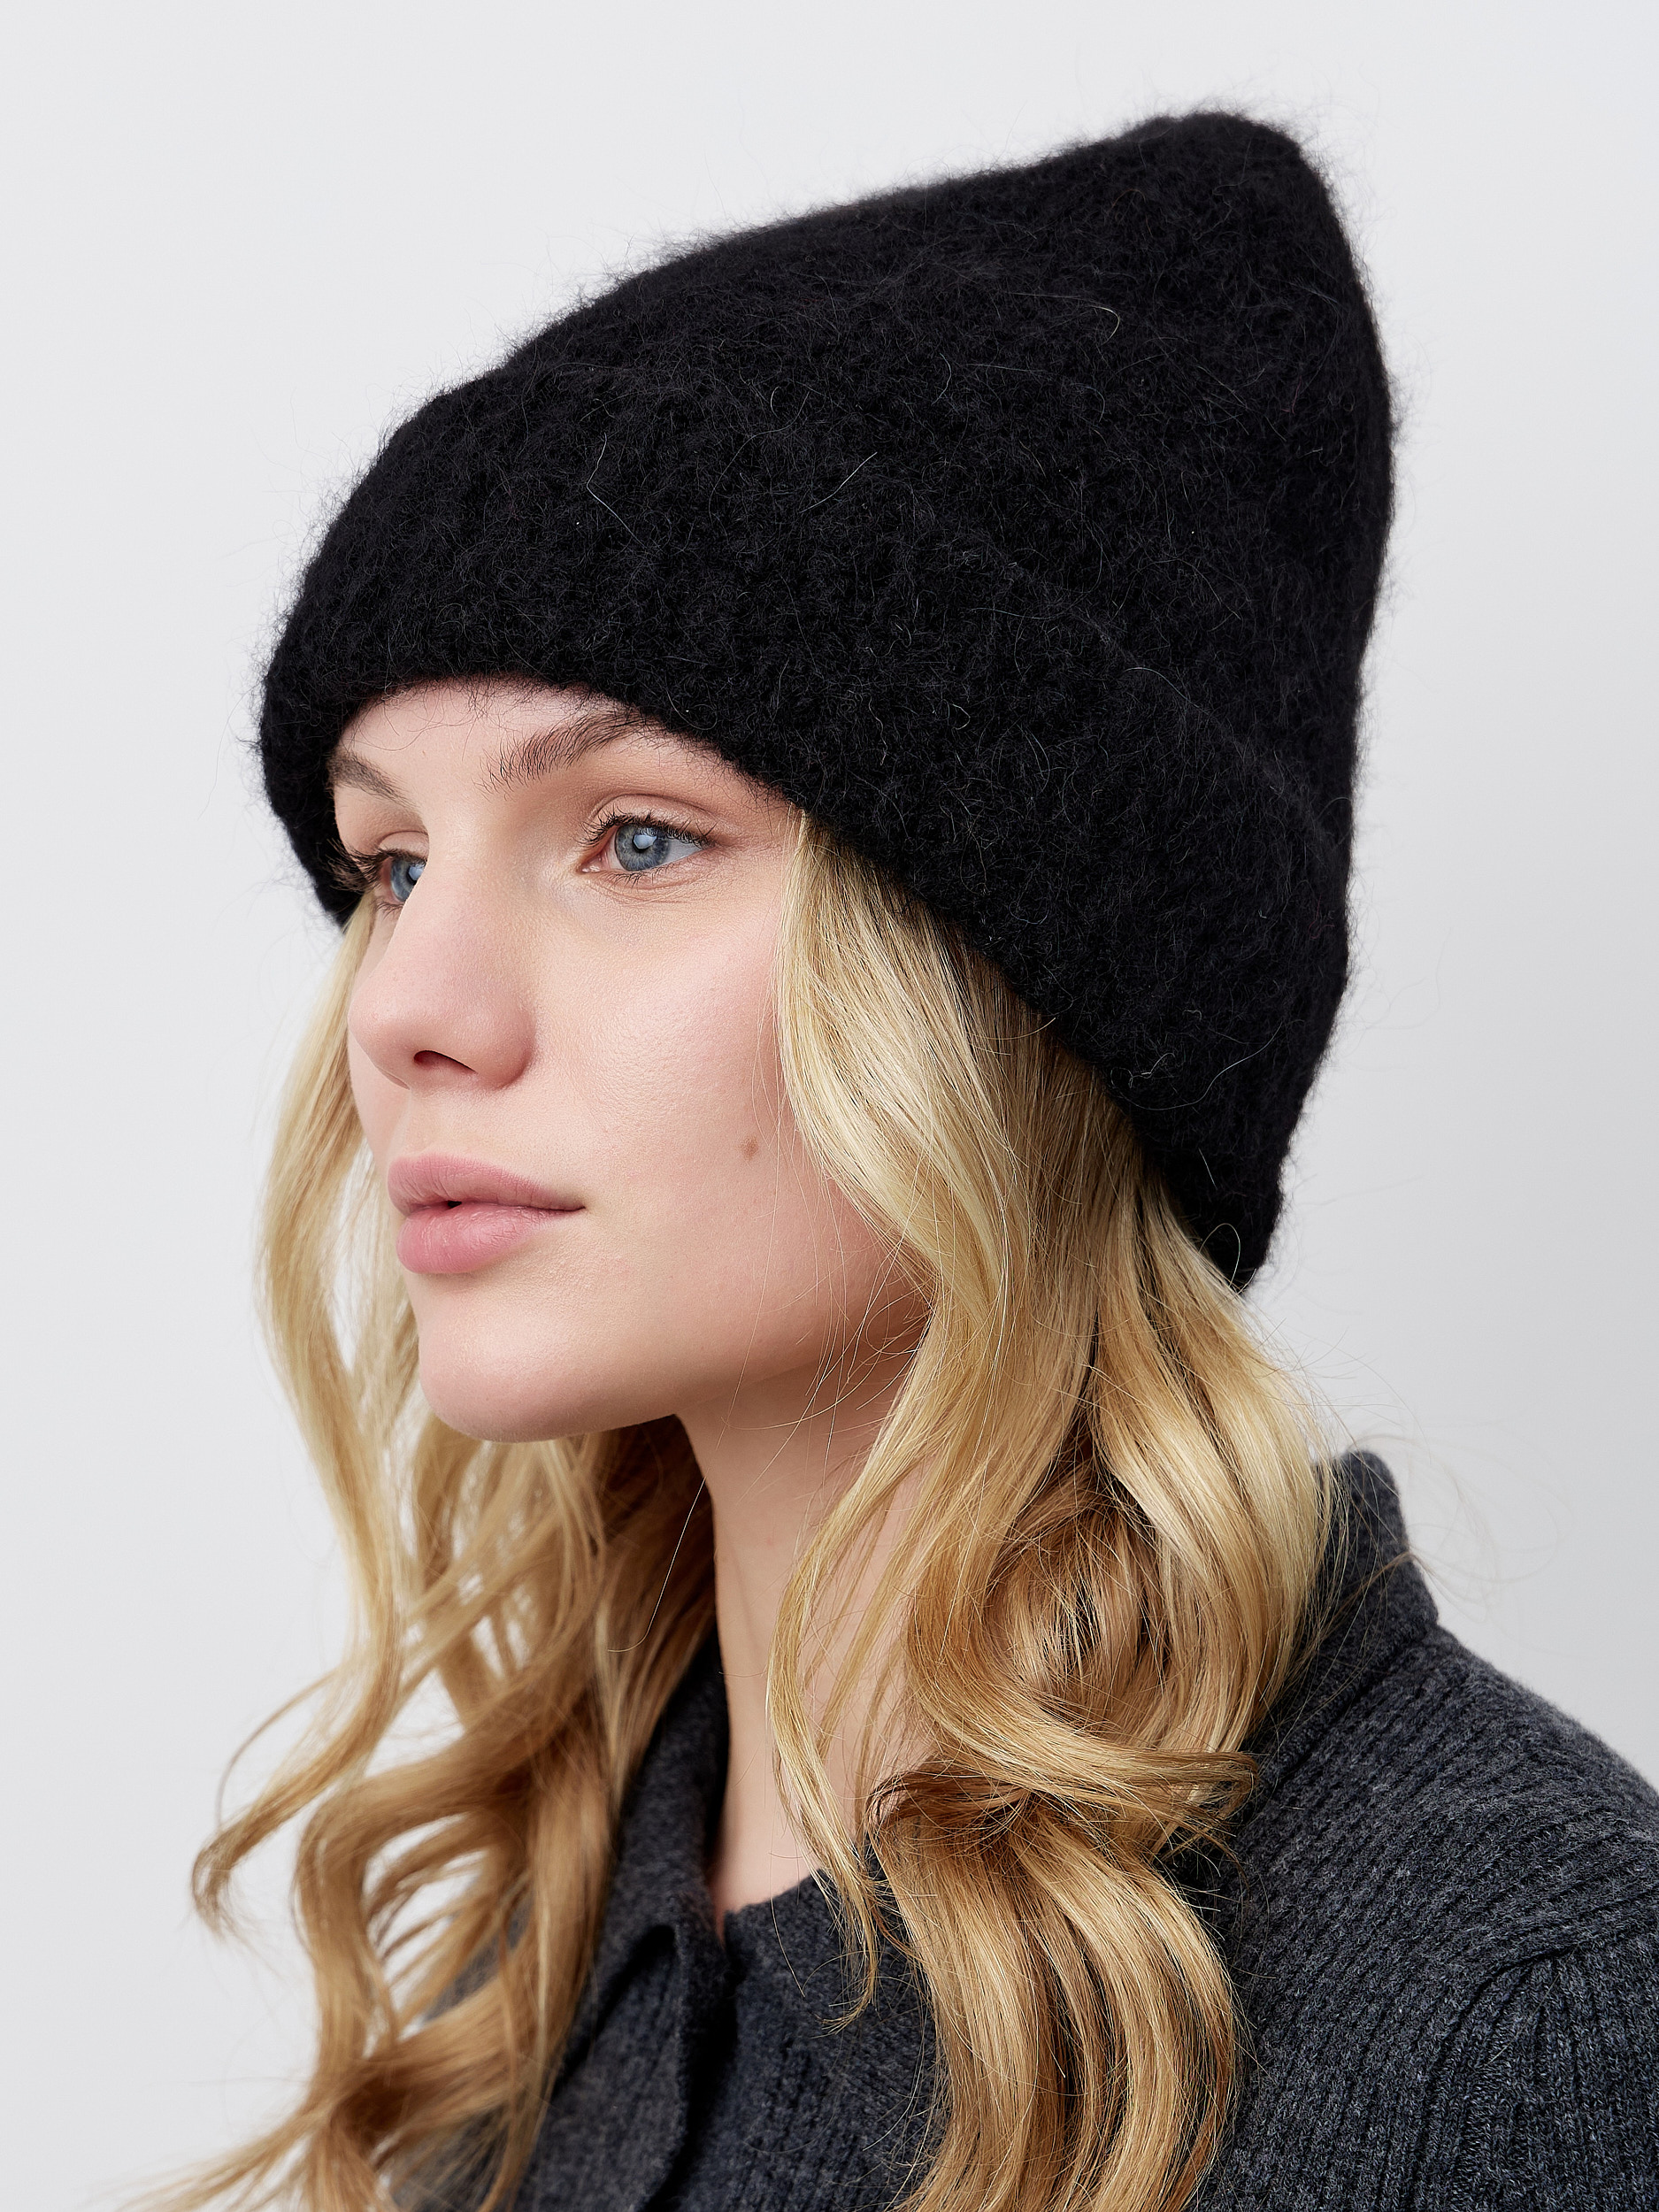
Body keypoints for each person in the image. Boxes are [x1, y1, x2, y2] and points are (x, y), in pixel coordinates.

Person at [176, 112, 1657, 2212]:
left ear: (1021, 979)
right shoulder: (562, 1929)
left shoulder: (1516, 2015)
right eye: (391, 859)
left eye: (636, 836)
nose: (406, 1003)